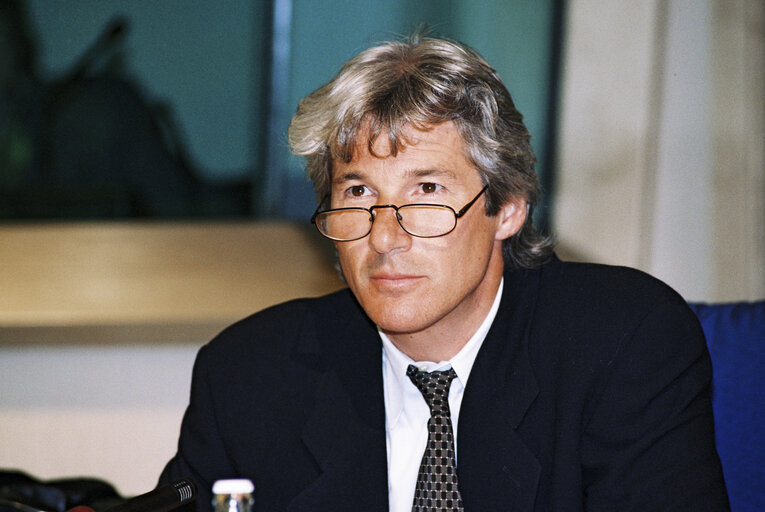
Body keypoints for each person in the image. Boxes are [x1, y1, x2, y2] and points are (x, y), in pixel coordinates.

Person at [160, 34, 729, 511]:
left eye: (426, 191)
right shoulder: (247, 375)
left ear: (507, 207)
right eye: (358, 193)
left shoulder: (622, 342)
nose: (383, 237)